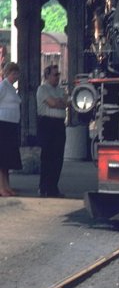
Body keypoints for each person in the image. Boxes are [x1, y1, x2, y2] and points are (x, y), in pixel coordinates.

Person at [36, 64, 68, 198]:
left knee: (58, 157)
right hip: (47, 123)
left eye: (58, 74)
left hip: (60, 124)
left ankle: (53, 187)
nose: (57, 77)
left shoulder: (60, 90)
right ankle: (44, 187)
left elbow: (67, 102)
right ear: (47, 76)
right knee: (47, 156)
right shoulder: (42, 89)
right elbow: (53, 103)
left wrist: (59, 102)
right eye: (55, 75)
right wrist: (59, 102)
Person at [0, 62, 22, 197]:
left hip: (11, 125)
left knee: (7, 159)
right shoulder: (3, 86)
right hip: (3, 125)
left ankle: (7, 186)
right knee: (2, 158)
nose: (16, 76)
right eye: (14, 73)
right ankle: (1, 187)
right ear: (7, 73)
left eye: (17, 74)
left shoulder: (12, 88)